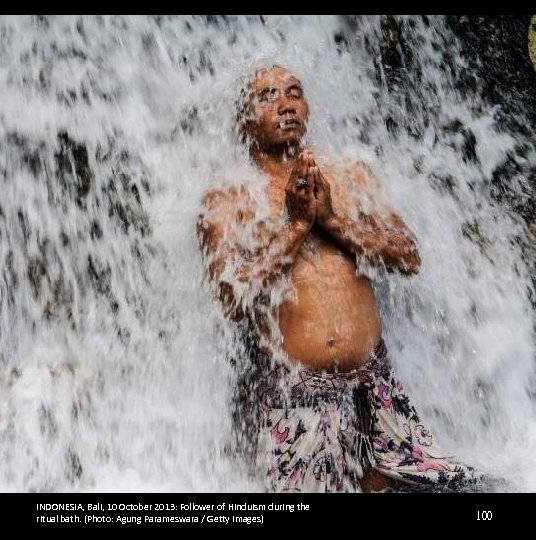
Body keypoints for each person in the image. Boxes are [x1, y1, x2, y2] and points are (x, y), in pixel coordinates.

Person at [197, 65, 480, 492]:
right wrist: (294, 229)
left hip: (376, 388)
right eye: (268, 96)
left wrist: (331, 221)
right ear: (243, 122)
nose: (286, 104)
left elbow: (407, 256)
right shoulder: (227, 200)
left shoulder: (351, 176)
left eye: (294, 92)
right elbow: (232, 298)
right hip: (298, 400)